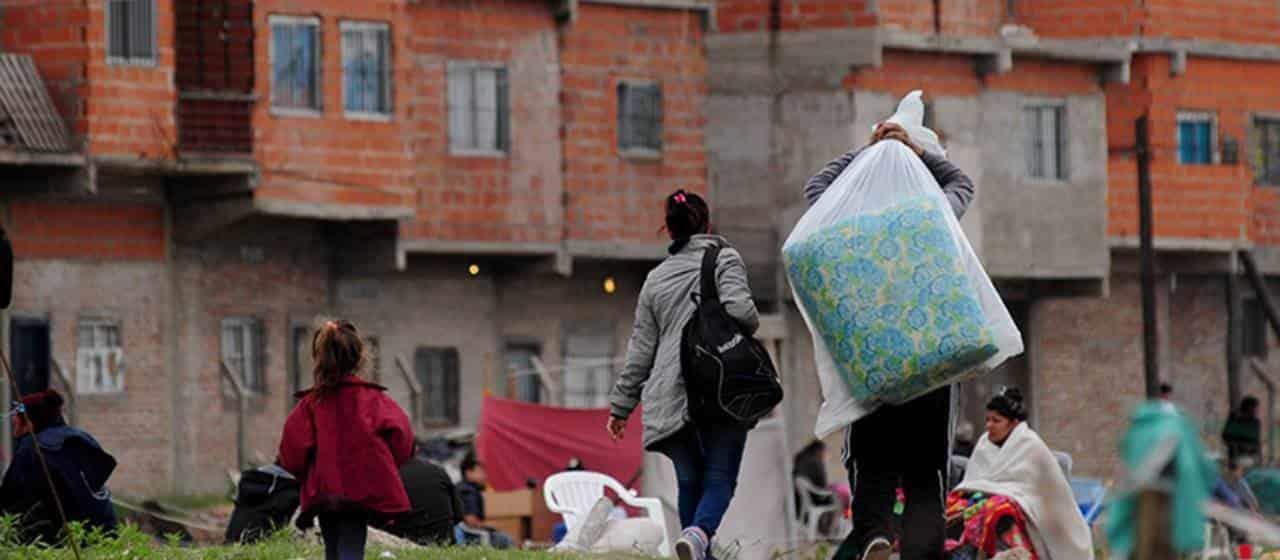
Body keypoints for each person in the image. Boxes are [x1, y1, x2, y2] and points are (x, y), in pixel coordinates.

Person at [805, 120, 975, 560]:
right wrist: (914, 154)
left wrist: (870, 151)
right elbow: (962, 182)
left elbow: (815, 188)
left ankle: (876, 535)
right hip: (930, 367)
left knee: (872, 466)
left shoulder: (850, 217)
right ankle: (920, 552)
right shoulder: (932, 212)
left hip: (873, 368)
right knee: (926, 475)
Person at [607, 189, 760, 560]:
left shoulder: (656, 279)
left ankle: (694, 543)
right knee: (720, 477)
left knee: (689, 479)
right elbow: (742, 311)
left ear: (669, 230)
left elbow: (641, 351)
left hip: (669, 395)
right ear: (707, 224)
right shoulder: (724, 258)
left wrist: (621, 407)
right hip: (721, 388)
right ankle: (699, 533)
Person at [278, 319, 415, 560]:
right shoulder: (374, 400)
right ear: (359, 357)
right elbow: (402, 440)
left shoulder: (310, 405)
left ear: (318, 358)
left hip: (324, 491)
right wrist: (383, 465)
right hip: (361, 489)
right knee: (352, 545)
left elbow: (292, 452)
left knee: (332, 547)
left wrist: (307, 473)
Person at [945, 389, 1093, 559]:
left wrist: (1007, 499)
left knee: (999, 509)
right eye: (987, 420)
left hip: (1026, 512)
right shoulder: (984, 445)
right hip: (982, 504)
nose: (989, 425)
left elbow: (1040, 495)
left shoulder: (1031, 446)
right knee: (956, 508)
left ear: (1013, 424)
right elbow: (973, 482)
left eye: (996, 421)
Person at [0, 389, 118, 545]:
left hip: (62, 541)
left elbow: (10, 500)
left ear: (30, 423)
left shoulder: (31, 447)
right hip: (104, 534)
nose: (13, 420)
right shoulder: (81, 438)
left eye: (17, 417)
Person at [383, 446, 462, 546]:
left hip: (404, 544)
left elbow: (376, 522)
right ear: (416, 449)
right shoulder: (438, 470)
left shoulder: (389, 476)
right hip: (444, 543)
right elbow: (459, 514)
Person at [456, 456, 514, 548]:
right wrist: (490, 528)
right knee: (506, 539)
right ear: (468, 473)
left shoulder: (462, 488)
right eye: (480, 472)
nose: (484, 476)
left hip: (466, 532)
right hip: (470, 534)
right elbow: (470, 520)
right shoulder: (468, 491)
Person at [1223, 396, 1262, 466]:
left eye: (1257, 409)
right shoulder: (1234, 419)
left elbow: (1256, 440)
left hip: (1251, 457)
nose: (1257, 411)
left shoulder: (1255, 422)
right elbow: (1226, 437)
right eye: (1255, 408)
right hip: (1236, 457)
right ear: (1249, 408)